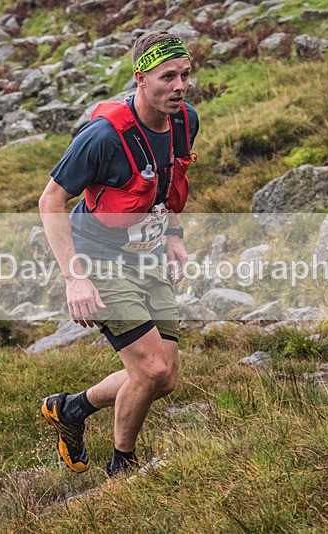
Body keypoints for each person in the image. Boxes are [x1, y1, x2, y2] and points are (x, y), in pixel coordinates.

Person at [37, 30, 199, 477]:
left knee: (164, 378)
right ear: (140, 79)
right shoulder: (103, 137)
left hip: (148, 257)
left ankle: (71, 409)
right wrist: (75, 278)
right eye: (168, 76)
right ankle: (122, 467)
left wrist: (174, 234)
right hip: (99, 260)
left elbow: (167, 184)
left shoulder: (186, 120)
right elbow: (50, 201)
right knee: (149, 369)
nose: (180, 86)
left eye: (185, 75)